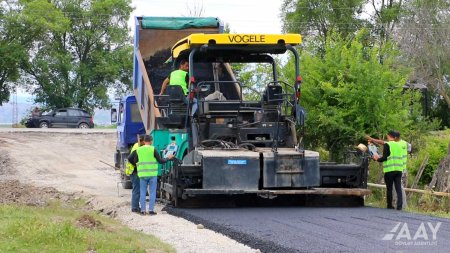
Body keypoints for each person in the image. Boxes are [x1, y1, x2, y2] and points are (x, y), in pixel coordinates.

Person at [127, 135, 173, 215]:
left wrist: (137, 165)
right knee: (152, 193)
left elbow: (131, 158)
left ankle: (143, 210)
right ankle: (151, 210)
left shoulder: (139, 150)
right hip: (152, 175)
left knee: (142, 192)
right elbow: (161, 161)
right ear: (151, 141)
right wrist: (168, 158)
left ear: (144, 141)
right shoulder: (153, 149)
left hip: (142, 175)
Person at [368, 131, 404, 210]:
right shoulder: (400, 145)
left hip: (389, 170)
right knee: (398, 188)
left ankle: (389, 205)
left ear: (388, 136)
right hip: (399, 170)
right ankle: (399, 206)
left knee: (389, 188)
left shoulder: (387, 145)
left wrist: (377, 159)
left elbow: (385, 157)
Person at [125, 134, 145, 213]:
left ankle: (136, 207)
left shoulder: (137, 145)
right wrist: (136, 165)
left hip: (134, 171)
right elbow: (130, 158)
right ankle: (135, 208)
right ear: (142, 141)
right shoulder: (138, 147)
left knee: (137, 189)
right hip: (134, 171)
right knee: (136, 190)